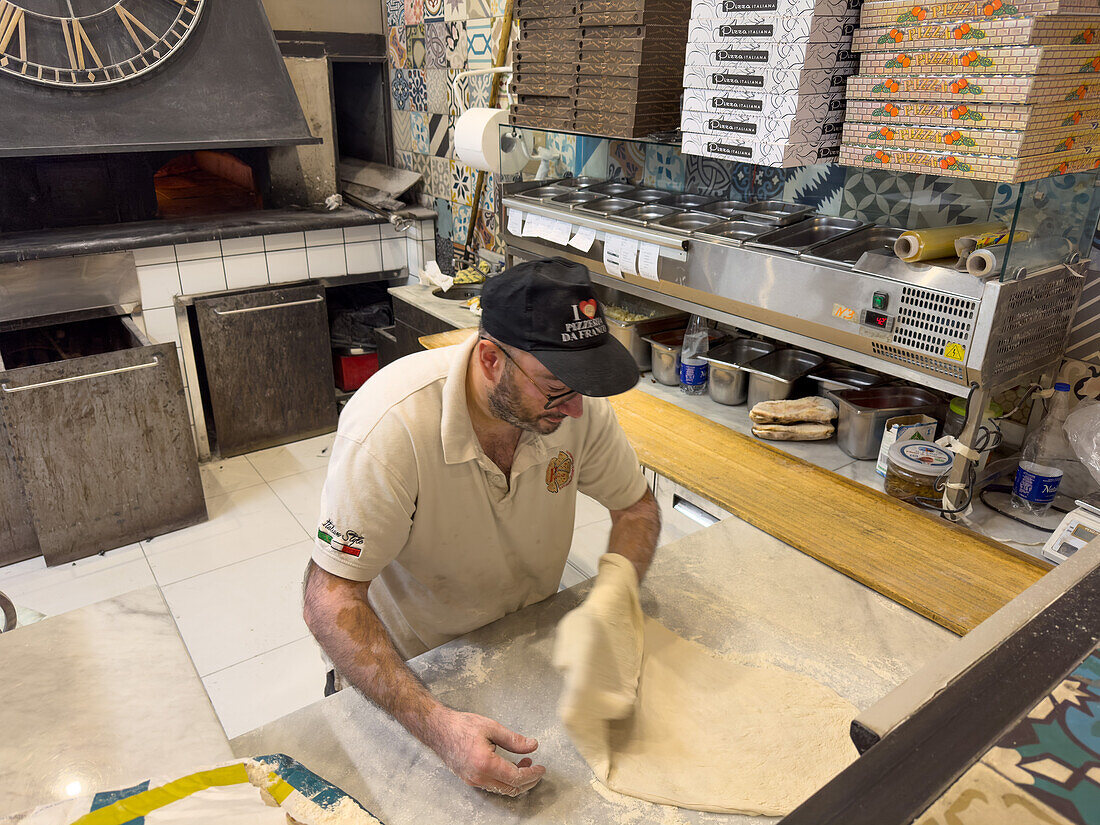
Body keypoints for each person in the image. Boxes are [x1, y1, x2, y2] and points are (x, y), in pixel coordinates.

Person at [303, 257, 661, 798]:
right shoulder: (390, 428)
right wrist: (441, 729)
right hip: (413, 672)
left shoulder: (569, 408)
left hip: (519, 644)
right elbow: (329, 600)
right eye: (557, 389)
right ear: (491, 359)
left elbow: (636, 510)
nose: (578, 412)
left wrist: (613, 597)